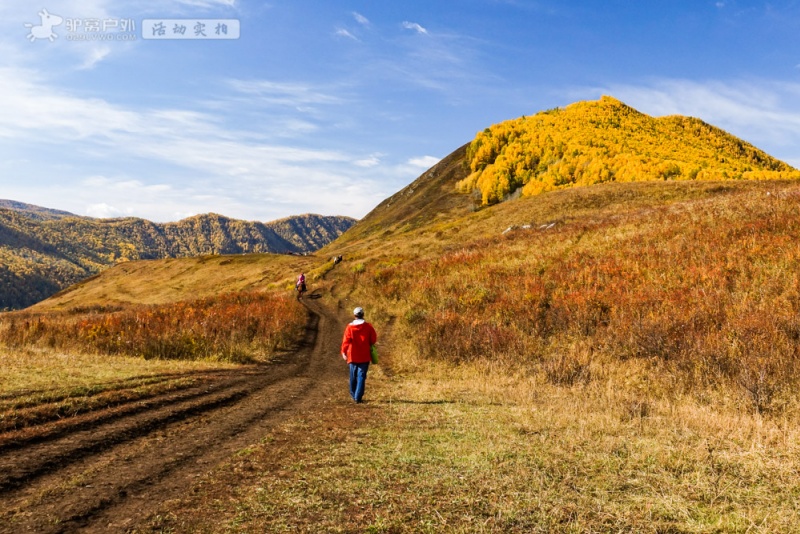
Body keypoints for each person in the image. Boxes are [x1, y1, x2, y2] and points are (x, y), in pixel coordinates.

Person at [340, 307, 377, 403]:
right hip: (364, 355)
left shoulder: (350, 327)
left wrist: (343, 352)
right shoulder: (368, 326)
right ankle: (358, 397)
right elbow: (373, 340)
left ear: (354, 315)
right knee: (361, 376)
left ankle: (353, 394)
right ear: (363, 315)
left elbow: (346, 341)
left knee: (353, 376)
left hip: (352, 355)